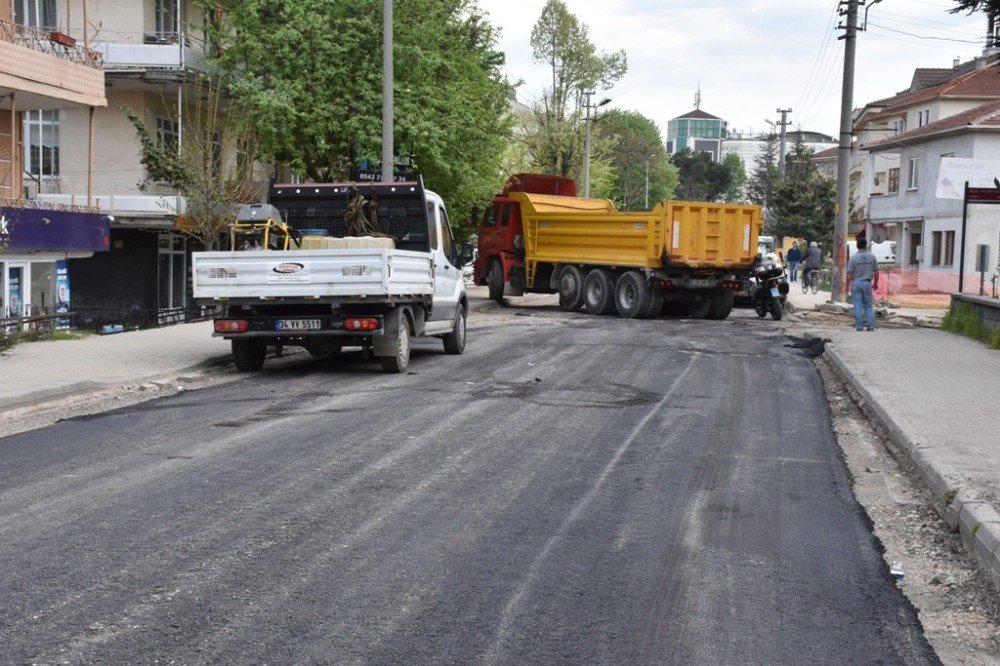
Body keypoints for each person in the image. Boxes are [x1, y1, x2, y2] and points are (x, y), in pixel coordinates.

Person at [846, 237, 880, 331]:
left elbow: (849, 274)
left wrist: (847, 285)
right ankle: (871, 325)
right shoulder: (872, 257)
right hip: (867, 283)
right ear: (866, 245)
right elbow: (876, 272)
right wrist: (876, 283)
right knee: (868, 305)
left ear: (857, 246)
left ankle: (859, 326)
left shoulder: (853, 258)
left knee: (857, 305)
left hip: (856, 283)